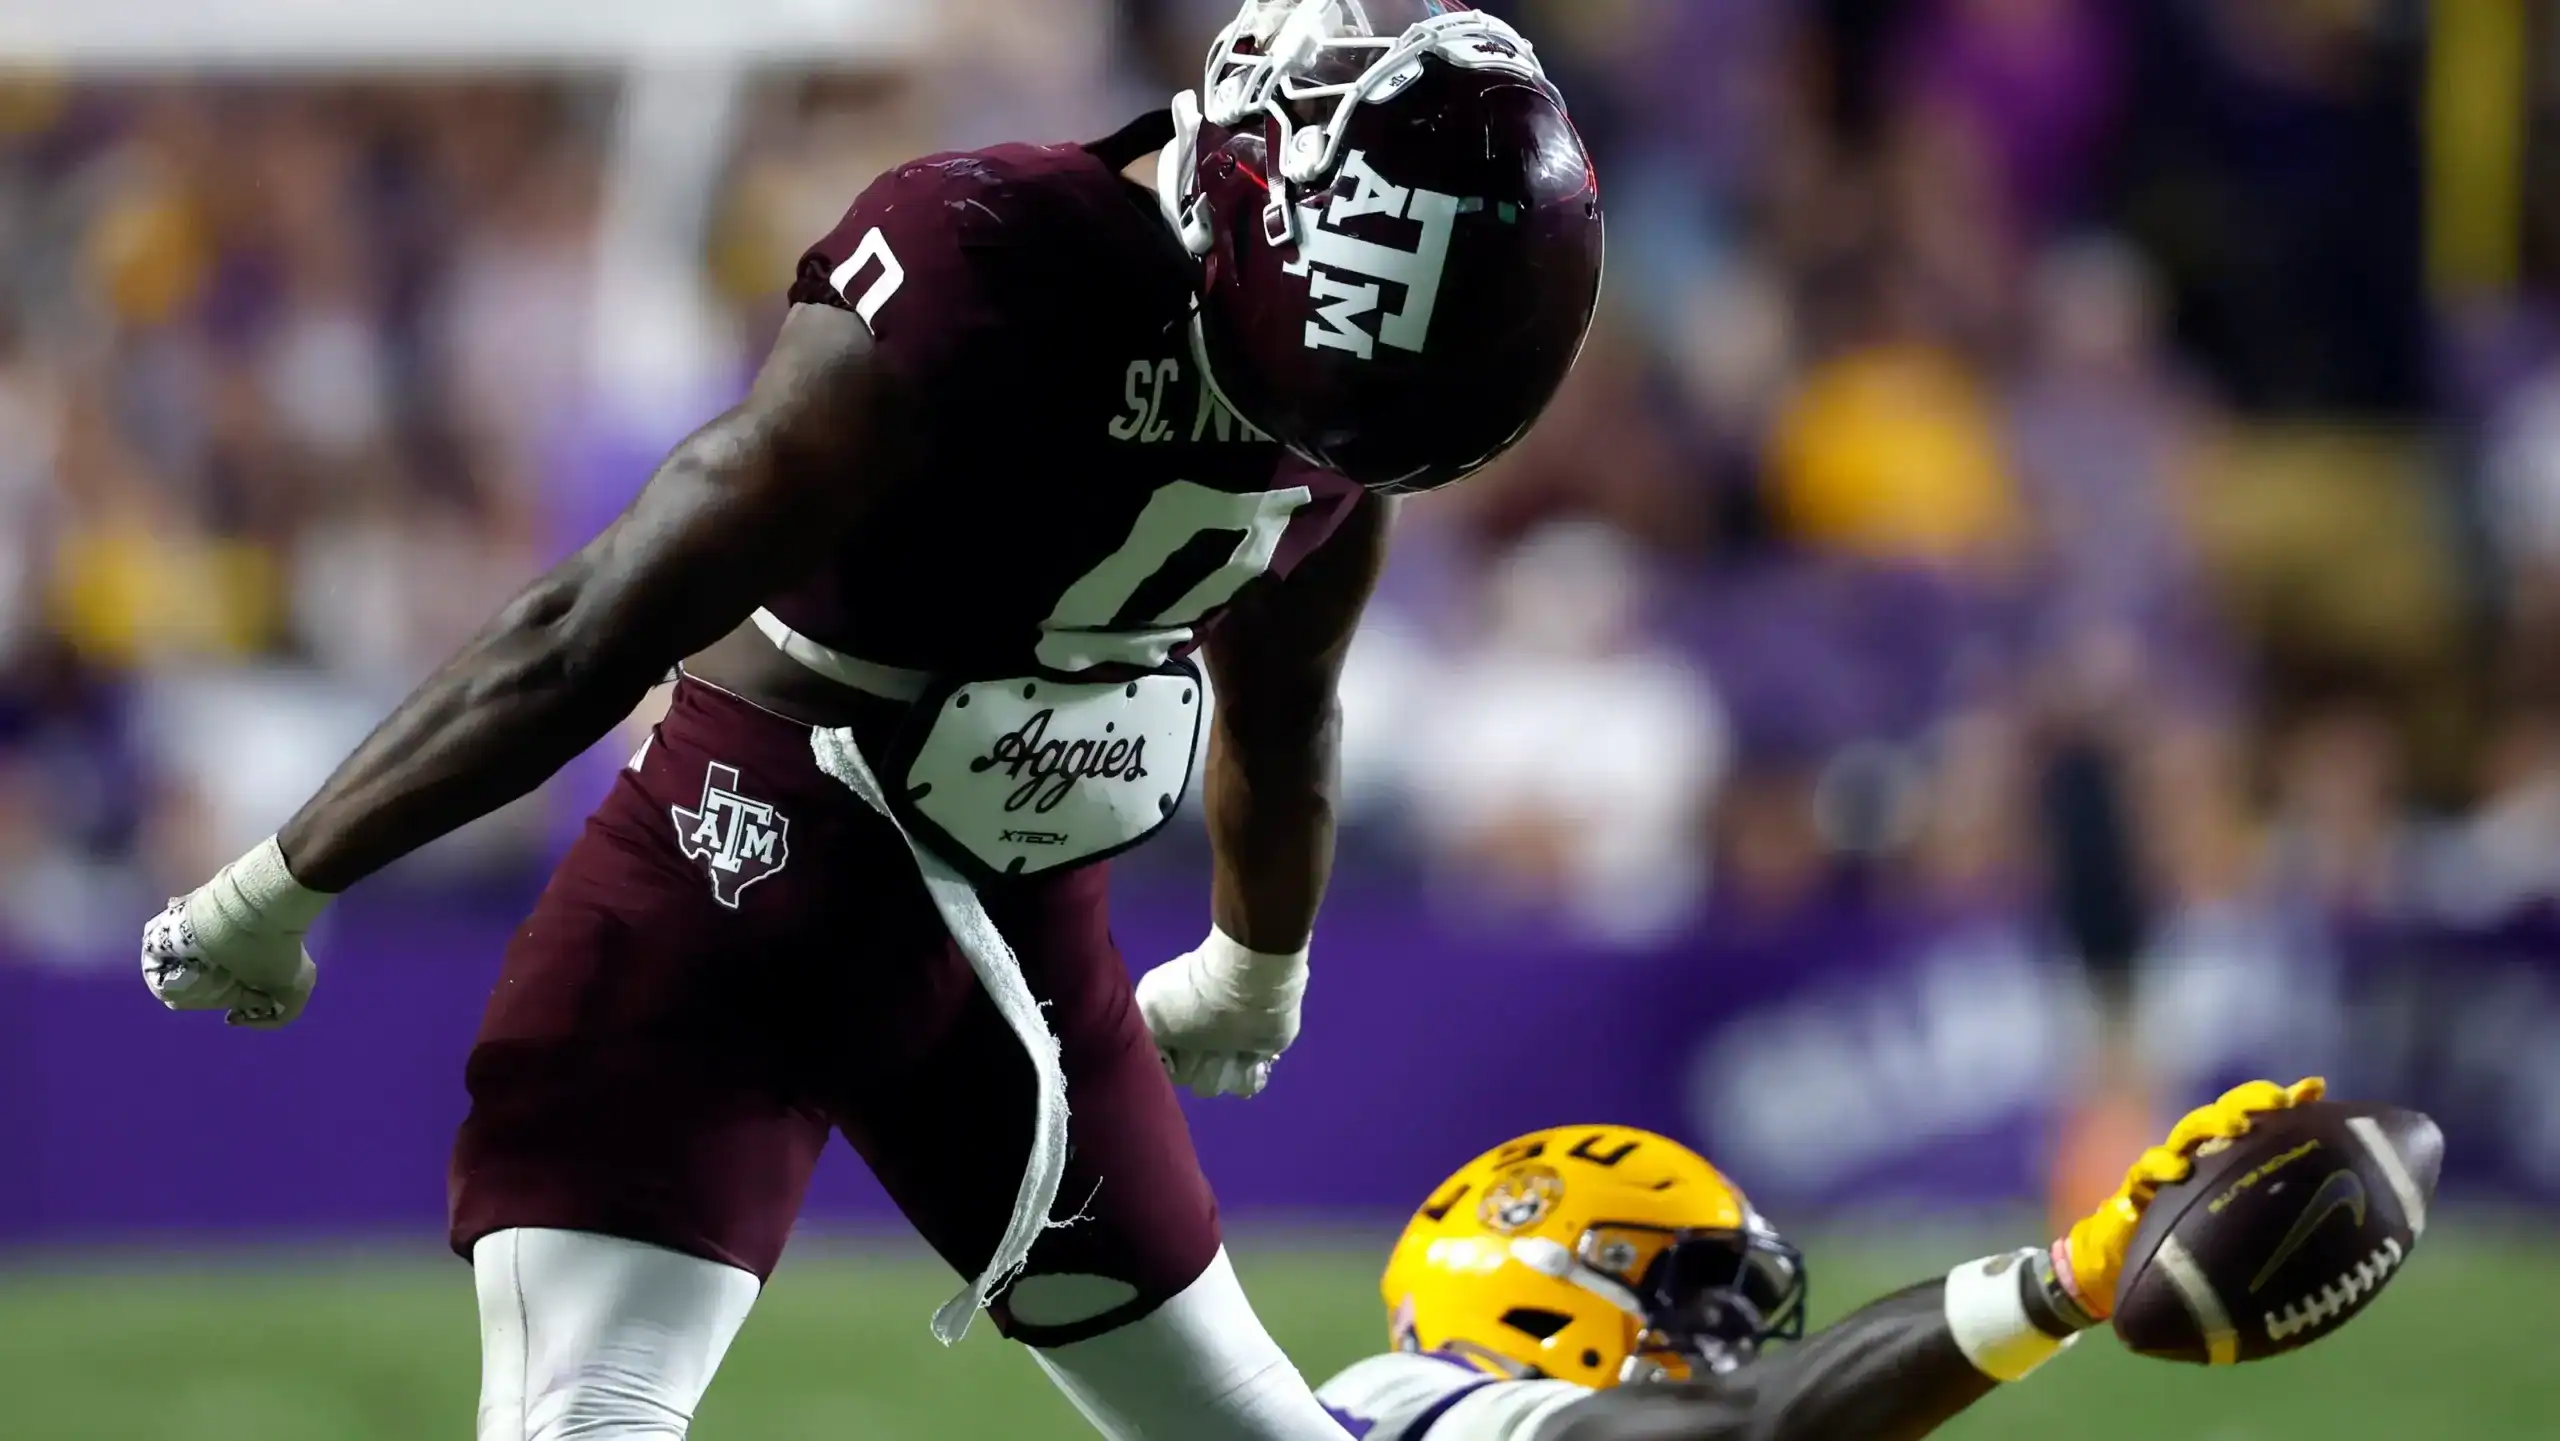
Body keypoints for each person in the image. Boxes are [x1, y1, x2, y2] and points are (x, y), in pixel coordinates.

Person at [133, 4, 1605, 1439]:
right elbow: (603, 620)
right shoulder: (991, 261)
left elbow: (1289, 701)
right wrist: (278, 878)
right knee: (590, 1416)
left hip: (1013, 952)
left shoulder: (1341, 385)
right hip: (734, 892)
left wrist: (1255, 962)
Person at [1318, 1079, 2326, 1441]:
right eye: (1692, 1294)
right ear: (1537, 1283)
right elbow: (1761, 1422)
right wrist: (2065, 1283)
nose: (1726, 1339)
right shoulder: (1400, 1401)